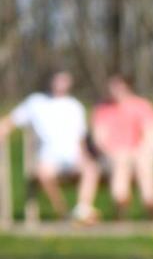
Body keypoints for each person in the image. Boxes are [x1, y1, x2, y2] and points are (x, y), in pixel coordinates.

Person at [0, 70, 100, 222]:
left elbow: (81, 137)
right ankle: (64, 212)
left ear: (70, 83)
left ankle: (82, 210)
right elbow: (11, 121)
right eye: (57, 80)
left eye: (64, 80)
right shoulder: (35, 102)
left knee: (91, 169)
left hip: (73, 156)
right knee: (43, 173)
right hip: (48, 157)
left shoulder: (75, 106)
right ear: (51, 81)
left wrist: (85, 155)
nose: (60, 84)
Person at [92, 74, 153, 220]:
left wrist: (139, 151)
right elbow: (99, 139)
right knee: (120, 161)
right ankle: (121, 204)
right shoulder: (103, 109)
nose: (115, 90)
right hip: (112, 156)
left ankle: (150, 203)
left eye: (119, 86)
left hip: (139, 153)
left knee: (143, 164)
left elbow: (151, 135)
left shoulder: (142, 106)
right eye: (112, 86)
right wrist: (113, 152)